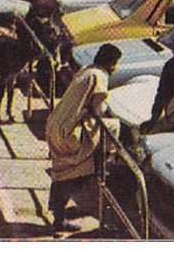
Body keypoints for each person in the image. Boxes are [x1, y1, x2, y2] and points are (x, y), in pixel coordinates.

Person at [45, 43, 121, 232]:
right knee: (70, 174)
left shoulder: (87, 70)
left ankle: (58, 216)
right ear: (111, 63)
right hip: (68, 133)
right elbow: (99, 108)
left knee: (61, 173)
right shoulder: (100, 76)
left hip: (55, 124)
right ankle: (108, 160)